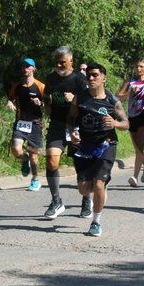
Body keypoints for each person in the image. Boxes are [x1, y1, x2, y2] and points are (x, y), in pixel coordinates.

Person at [67, 63, 129, 236]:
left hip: (106, 145)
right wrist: (72, 132)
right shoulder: (80, 98)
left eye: (95, 75)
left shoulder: (112, 101)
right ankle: (97, 191)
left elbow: (126, 123)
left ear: (104, 78)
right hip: (84, 146)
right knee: (83, 189)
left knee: (99, 183)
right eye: (88, 75)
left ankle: (96, 222)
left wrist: (115, 123)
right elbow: (70, 119)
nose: (91, 78)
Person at [43, 46, 89, 219]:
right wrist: (47, 105)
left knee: (81, 165)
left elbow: (90, 103)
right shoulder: (51, 78)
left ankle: (86, 199)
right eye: (56, 62)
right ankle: (56, 201)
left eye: (62, 62)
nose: (59, 65)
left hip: (77, 127)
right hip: (57, 125)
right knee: (51, 160)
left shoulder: (80, 79)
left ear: (71, 61)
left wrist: (75, 100)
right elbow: (46, 98)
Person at [117, 58, 144, 188]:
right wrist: (129, 92)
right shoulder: (129, 81)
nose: (138, 69)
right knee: (137, 148)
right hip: (132, 117)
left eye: (141, 66)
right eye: (136, 67)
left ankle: (135, 176)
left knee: (139, 147)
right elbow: (118, 97)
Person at [6, 58, 46, 192]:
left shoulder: (41, 86)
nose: (25, 69)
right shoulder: (17, 86)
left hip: (35, 124)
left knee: (34, 155)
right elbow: (10, 99)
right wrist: (9, 103)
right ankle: (24, 160)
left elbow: (48, 105)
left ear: (34, 68)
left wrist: (40, 103)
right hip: (20, 122)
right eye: (23, 66)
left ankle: (35, 179)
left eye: (28, 66)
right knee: (16, 150)